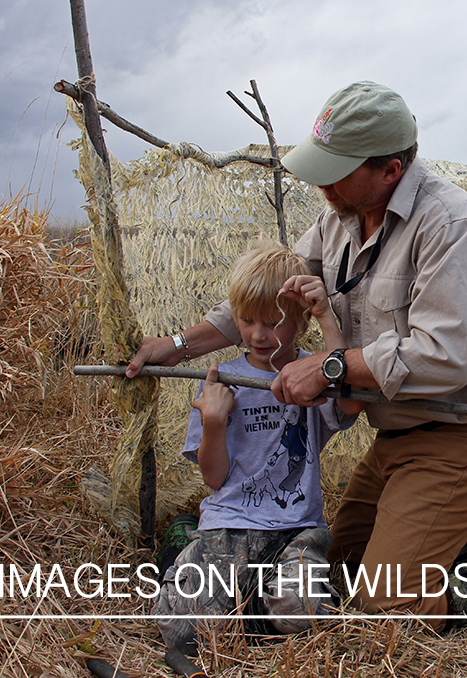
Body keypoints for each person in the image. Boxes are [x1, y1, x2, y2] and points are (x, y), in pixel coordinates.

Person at [130, 82, 467, 629]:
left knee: (388, 603)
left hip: (459, 434)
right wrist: (175, 347)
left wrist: (330, 366)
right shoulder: (340, 215)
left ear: (390, 169)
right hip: (396, 437)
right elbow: (267, 299)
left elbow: (446, 356)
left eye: (335, 168)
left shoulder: (452, 225)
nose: (320, 182)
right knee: (339, 575)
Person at [151, 241, 363, 652]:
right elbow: (214, 477)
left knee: (301, 610)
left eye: (273, 323)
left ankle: (244, 613)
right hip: (228, 526)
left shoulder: (313, 375)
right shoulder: (221, 378)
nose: (258, 335)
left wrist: (326, 317)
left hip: (294, 531)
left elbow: (349, 399)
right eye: (247, 321)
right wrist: (213, 422)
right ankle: (189, 550)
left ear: (301, 322)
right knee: (177, 629)